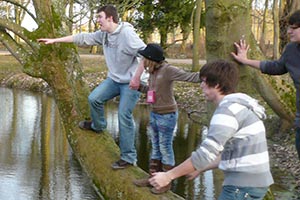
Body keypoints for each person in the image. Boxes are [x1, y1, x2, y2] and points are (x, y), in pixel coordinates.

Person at [38, 5, 146, 170]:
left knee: (123, 115)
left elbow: (147, 55)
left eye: (99, 17)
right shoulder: (104, 35)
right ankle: (99, 126)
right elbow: (81, 38)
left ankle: (128, 157)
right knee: (94, 99)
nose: (97, 21)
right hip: (115, 79)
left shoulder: (127, 34)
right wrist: (54, 41)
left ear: (110, 18)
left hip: (132, 82)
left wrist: (137, 78)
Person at [149, 60, 274, 199]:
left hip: (241, 186)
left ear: (217, 85)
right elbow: (231, 153)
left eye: (204, 81)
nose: (201, 85)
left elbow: (204, 154)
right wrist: (201, 168)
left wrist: (168, 176)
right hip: (254, 183)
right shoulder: (241, 107)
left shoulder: (227, 112)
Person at [129, 43, 200, 194]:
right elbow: (152, 91)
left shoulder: (168, 70)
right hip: (154, 114)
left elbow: (191, 77)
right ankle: (153, 179)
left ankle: (166, 183)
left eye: (144, 58)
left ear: (150, 59)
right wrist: (140, 87)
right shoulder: (153, 72)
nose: (142, 61)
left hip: (167, 115)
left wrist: (211, 73)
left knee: (165, 147)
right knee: (155, 147)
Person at [231, 10, 300, 160]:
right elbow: (275, 67)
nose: (289, 32)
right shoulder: (291, 50)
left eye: (294, 28)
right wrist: (245, 60)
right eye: (288, 28)